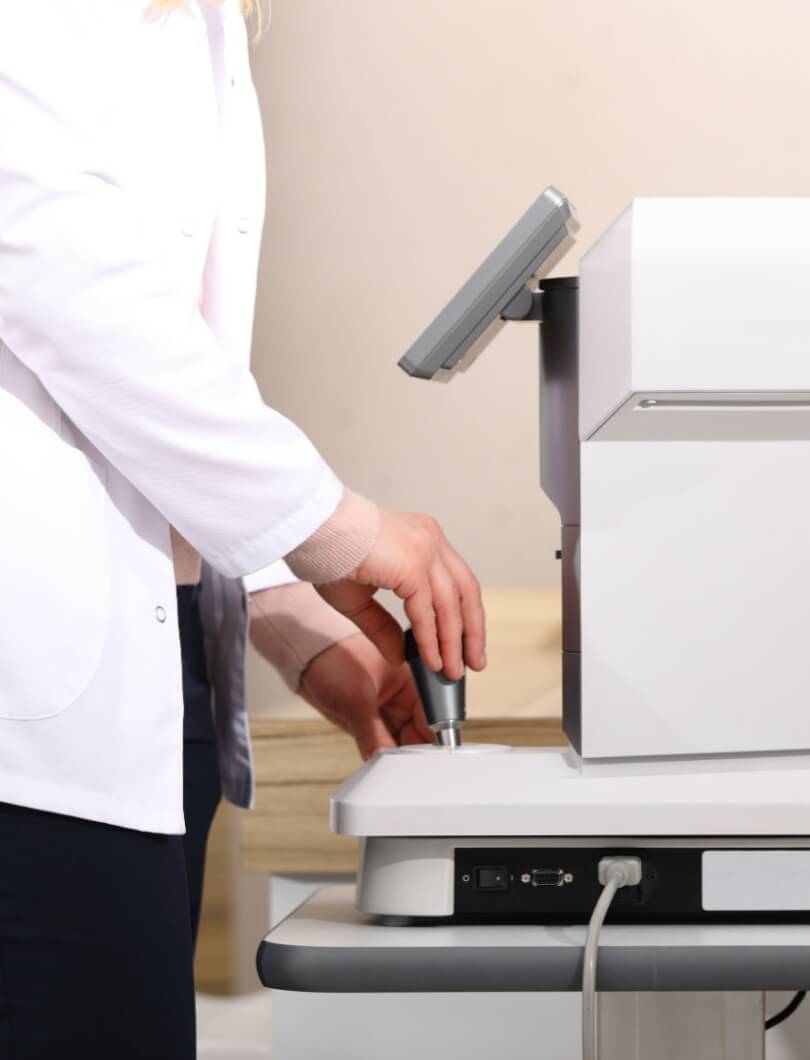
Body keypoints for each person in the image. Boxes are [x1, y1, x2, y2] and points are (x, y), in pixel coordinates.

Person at [0, 2, 485, 1056]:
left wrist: (278, 595)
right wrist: (337, 527)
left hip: (149, 658)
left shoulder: (208, 20)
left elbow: (177, 348)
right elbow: (72, 286)